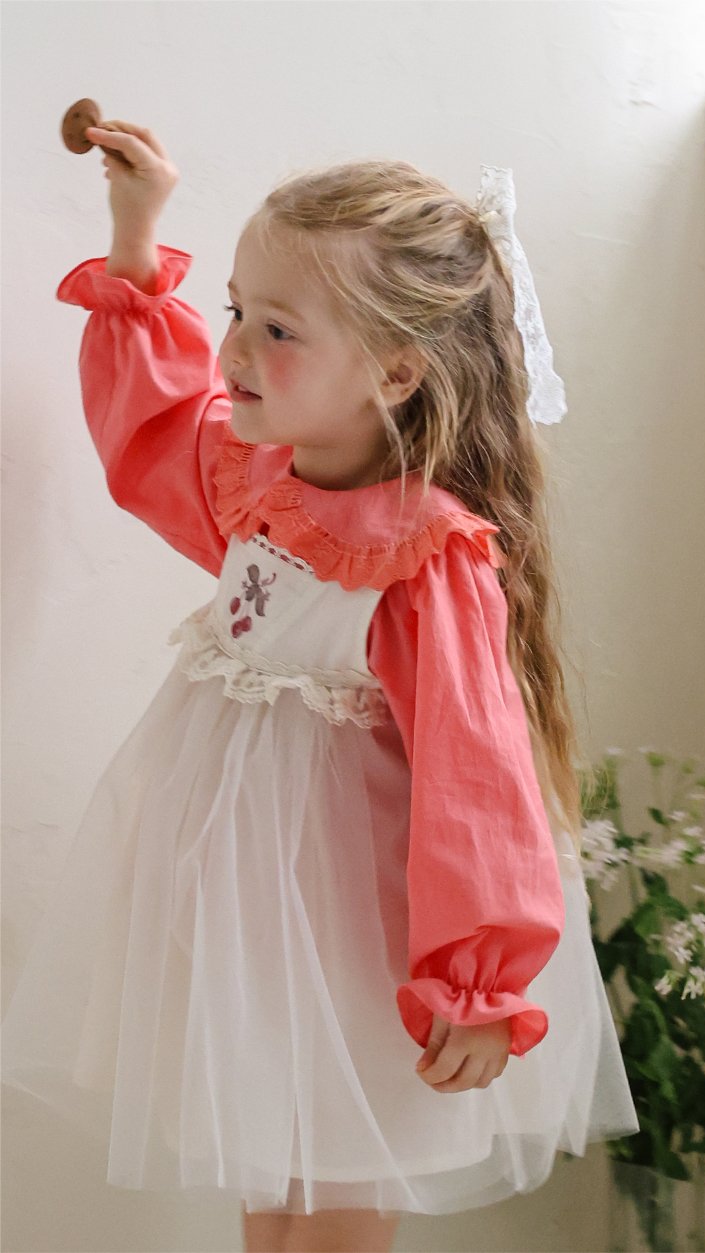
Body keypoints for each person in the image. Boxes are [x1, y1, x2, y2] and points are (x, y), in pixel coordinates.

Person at [1, 119, 639, 1253]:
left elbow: (477, 779)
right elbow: (154, 429)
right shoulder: (257, 481)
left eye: (278, 328)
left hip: (354, 926)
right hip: (252, 915)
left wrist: (474, 979)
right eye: (237, 310)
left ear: (395, 370)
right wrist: (136, 236)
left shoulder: (423, 555)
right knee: (274, 1180)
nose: (234, 348)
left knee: (338, 1191)